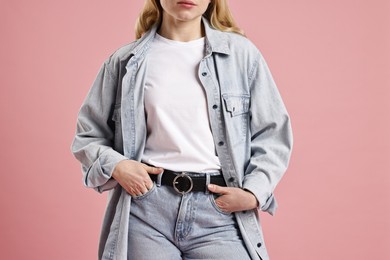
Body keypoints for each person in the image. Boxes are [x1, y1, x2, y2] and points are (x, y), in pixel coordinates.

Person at [71, 0, 293, 259]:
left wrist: (254, 192)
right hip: (146, 209)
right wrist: (118, 166)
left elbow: (273, 133)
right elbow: (88, 135)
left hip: (220, 213)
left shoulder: (242, 56)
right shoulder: (124, 62)